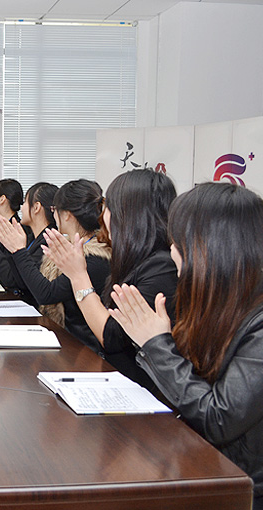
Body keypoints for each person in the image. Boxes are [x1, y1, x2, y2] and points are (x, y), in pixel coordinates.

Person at [109, 182, 263, 509]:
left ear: (210, 248)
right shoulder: (220, 301)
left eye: (177, 243)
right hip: (205, 464)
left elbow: (218, 417)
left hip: (240, 486)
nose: (172, 253)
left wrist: (156, 343)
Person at [41, 169, 177, 389]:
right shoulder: (136, 260)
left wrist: (78, 276)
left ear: (127, 215)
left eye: (108, 208)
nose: (103, 215)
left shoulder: (160, 267)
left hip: (139, 392)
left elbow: (111, 337)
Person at [0, 179, 111, 353]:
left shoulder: (94, 256)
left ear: (67, 214)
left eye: (55, 210)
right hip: (64, 340)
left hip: (82, 350)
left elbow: (47, 294)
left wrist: (18, 251)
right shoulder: (70, 246)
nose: (53, 215)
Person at [0, 181, 57, 298]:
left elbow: (15, 280)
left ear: (36, 207)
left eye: (26, 202)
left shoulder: (48, 242)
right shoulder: (33, 237)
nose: (21, 208)